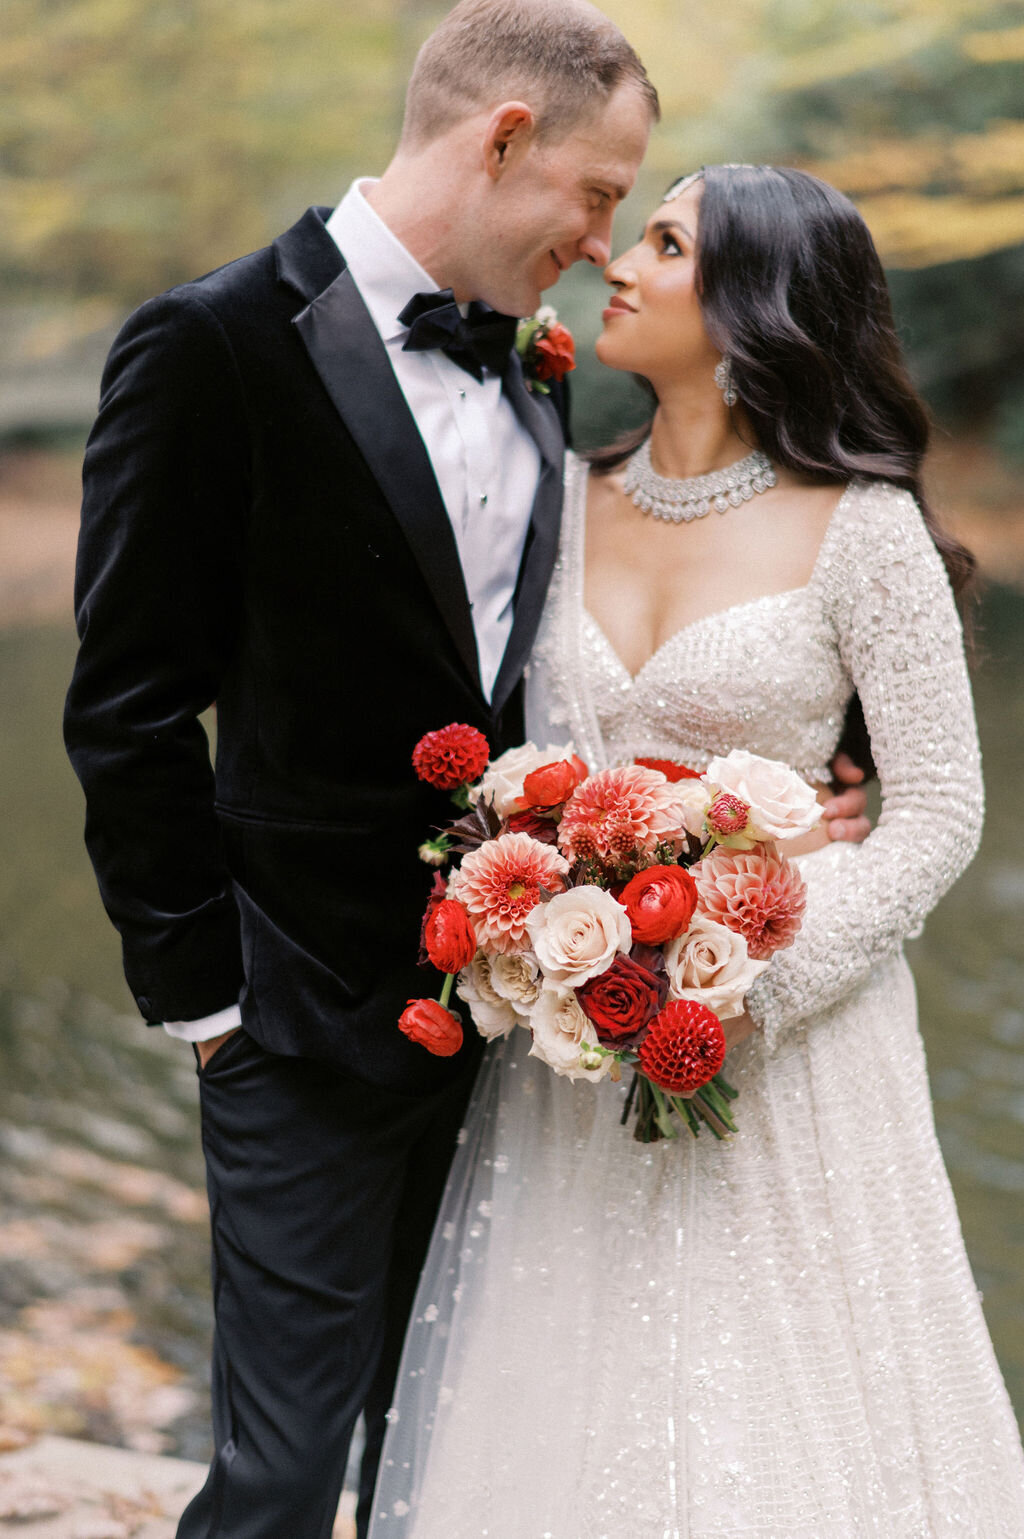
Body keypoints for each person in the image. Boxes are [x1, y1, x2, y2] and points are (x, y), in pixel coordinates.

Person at [63, 4, 865, 1530]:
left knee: (453, 1443)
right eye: (598, 192)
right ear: (504, 140)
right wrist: (206, 1004)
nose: (601, 238)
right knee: (287, 1465)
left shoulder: (541, 366)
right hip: (293, 1011)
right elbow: (127, 708)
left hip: (527, 1021)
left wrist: (780, 797)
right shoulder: (212, 343)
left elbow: (564, 663)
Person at [368, 166, 1024, 1537]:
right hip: (576, 1027)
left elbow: (943, 811)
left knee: (780, 1408)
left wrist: (750, 981)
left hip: (792, 1031)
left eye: (665, 245)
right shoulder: (557, 492)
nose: (619, 260)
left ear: (750, 306)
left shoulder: (864, 527)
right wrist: (532, 912)